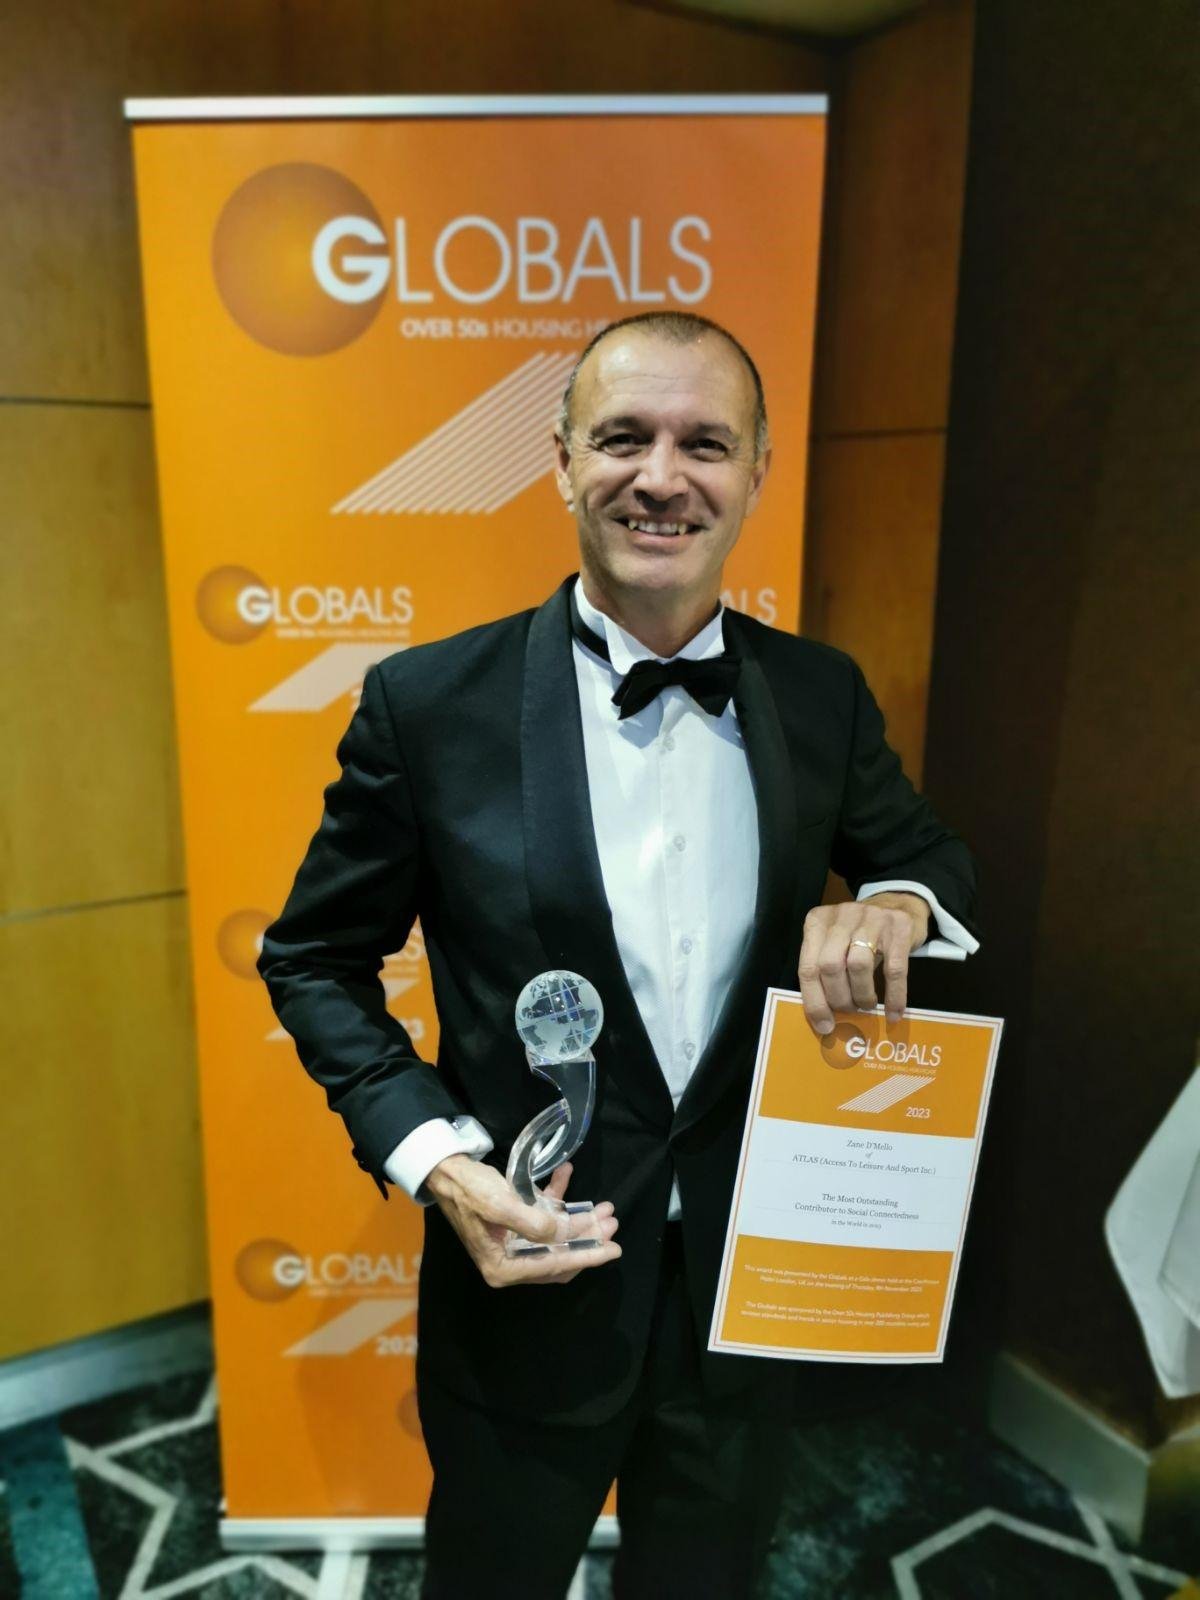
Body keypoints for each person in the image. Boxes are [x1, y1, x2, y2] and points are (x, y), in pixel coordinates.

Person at [257, 310, 978, 1599]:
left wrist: (900, 908)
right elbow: (314, 957)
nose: (662, 477)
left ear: (757, 471)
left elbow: (929, 858)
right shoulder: (428, 705)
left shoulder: (821, 693)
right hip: (527, 1279)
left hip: (747, 1292)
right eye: (622, 438)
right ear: (560, 462)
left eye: (706, 443)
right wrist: (440, 1164)